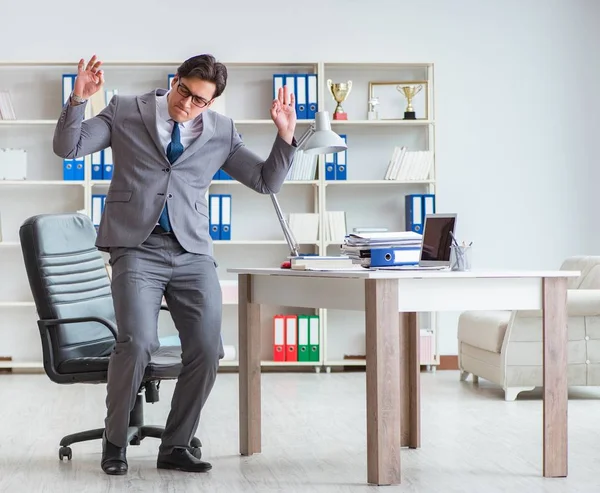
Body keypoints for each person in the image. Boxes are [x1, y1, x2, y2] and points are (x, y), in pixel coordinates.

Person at [52, 54, 297, 475]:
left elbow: (264, 181)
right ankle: (115, 442)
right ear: (176, 80)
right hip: (136, 246)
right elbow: (68, 147)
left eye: (200, 100)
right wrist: (78, 98)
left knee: (207, 347)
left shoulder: (222, 131)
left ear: (212, 101)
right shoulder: (127, 109)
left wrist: (285, 136)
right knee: (138, 341)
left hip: (192, 251)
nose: (187, 104)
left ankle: (176, 444)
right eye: (183, 91)